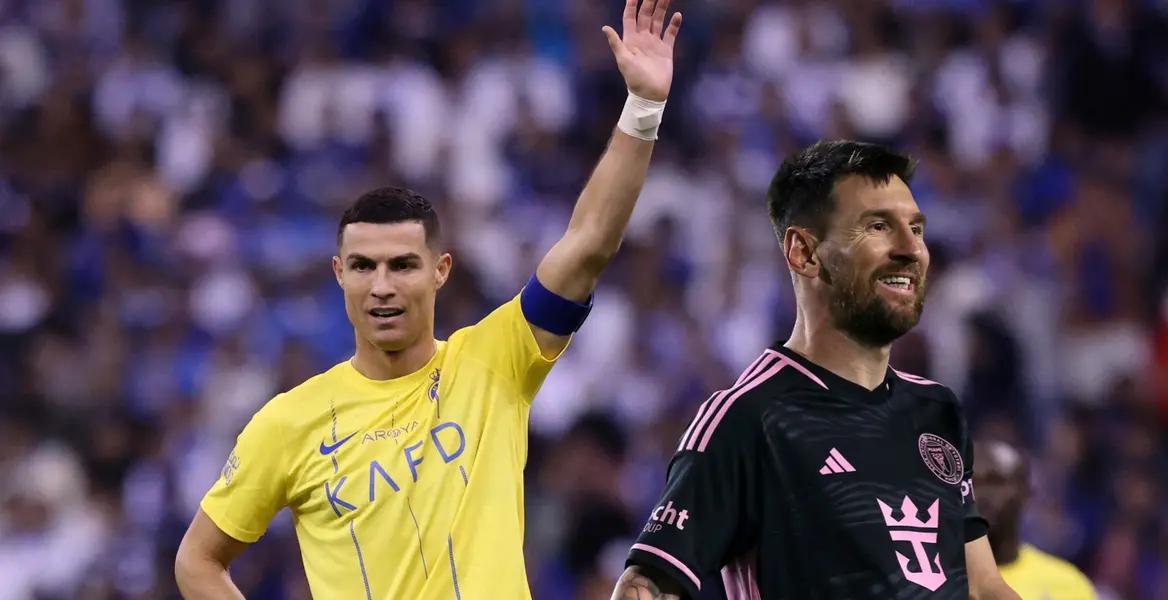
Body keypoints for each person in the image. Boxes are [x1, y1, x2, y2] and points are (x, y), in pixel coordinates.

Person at [174, 1, 684, 598]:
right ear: (338, 273)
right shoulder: (289, 422)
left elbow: (589, 244)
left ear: (440, 271)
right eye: (363, 266)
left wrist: (643, 108)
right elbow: (198, 560)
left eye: (402, 266)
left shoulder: (495, 363)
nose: (382, 286)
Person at [612, 140, 1021, 599]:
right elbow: (647, 586)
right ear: (804, 253)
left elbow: (985, 587)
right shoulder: (750, 418)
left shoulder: (937, 410)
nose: (912, 250)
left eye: (917, 229)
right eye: (879, 227)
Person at [973, 439, 1098, 599]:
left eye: (994, 481)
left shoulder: (1066, 584)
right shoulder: (936, 579)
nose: (979, 495)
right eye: (971, 482)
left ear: (1026, 494)